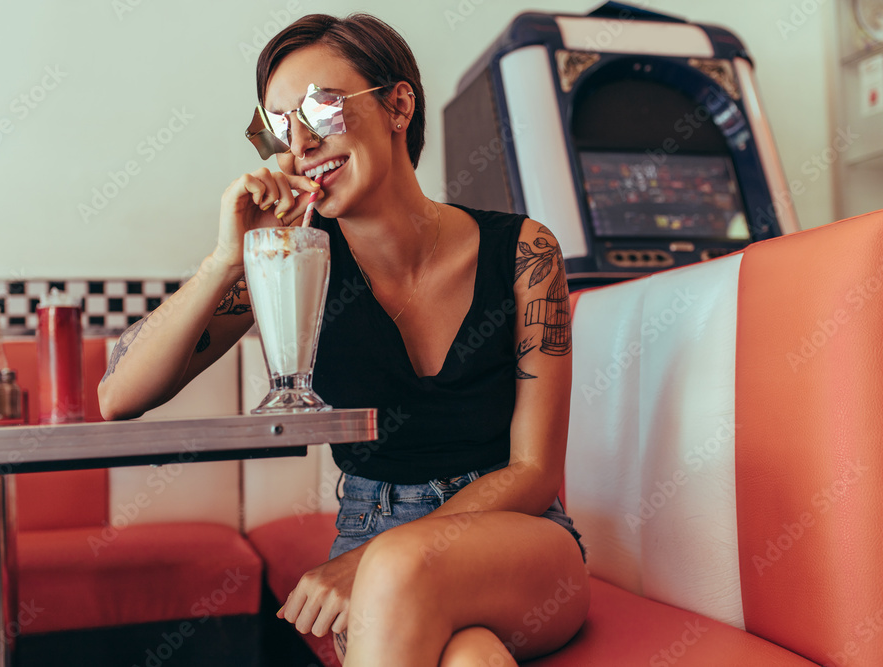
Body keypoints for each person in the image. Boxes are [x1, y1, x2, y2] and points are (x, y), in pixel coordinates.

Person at [98, 12, 589, 666]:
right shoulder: (291, 260)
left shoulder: (523, 250)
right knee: (473, 659)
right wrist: (226, 256)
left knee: (398, 573)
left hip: (516, 538)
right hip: (373, 523)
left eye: (320, 108)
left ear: (398, 105)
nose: (298, 142)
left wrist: (367, 561)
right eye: (279, 125)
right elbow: (117, 396)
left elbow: (533, 470)